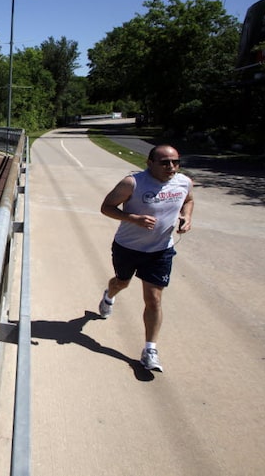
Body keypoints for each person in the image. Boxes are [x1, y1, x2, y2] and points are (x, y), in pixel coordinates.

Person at [98, 144, 194, 372]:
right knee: (121, 282)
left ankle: (149, 349)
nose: (171, 167)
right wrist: (133, 218)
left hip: (160, 251)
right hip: (127, 247)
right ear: (149, 163)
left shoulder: (184, 182)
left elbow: (189, 200)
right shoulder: (132, 183)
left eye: (175, 162)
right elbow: (106, 207)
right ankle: (109, 296)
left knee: (154, 299)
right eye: (164, 162)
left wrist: (186, 218)